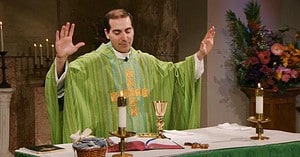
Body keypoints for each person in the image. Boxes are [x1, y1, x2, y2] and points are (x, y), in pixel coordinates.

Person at [45, 9, 215, 144]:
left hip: (144, 145)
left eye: (128, 30)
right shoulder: (89, 64)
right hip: (109, 147)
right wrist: (61, 59)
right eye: (117, 32)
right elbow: (63, 86)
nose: (124, 38)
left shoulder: (146, 62)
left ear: (133, 29)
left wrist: (199, 56)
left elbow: (176, 75)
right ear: (107, 33)